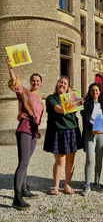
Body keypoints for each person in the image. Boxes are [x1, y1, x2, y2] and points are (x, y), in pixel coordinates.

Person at [6, 57, 44, 210]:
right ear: (30, 82)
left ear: (40, 83)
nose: (35, 82)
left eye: (38, 81)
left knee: (26, 161)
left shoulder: (40, 99)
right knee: (22, 163)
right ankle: (17, 198)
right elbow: (15, 83)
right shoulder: (25, 92)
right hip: (24, 126)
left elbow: (39, 117)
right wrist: (10, 67)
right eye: (33, 80)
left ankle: (23, 189)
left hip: (34, 131)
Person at [43, 76, 81, 195]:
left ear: (68, 87)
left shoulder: (72, 97)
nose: (62, 85)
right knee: (60, 160)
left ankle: (67, 185)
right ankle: (55, 186)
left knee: (71, 159)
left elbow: (78, 112)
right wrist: (73, 105)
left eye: (65, 83)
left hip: (72, 130)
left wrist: (80, 102)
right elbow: (58, 109)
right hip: (58, 131)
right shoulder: (51, 98)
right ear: (57, 84)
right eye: (61, 82)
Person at [81, 83, 103, 196]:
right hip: (90, 133)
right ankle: (87, 184)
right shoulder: (86, 104)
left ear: (100, 92)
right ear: (89, 92)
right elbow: (85, 118)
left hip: (101, 134)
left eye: (97, 90)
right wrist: (91, 128)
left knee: (99, 158)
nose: (95, 92)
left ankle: (97, 182)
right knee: (90, 159)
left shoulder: (102, 104)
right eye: (92, 90)